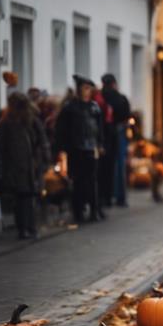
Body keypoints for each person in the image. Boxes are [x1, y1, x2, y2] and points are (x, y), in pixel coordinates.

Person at [0, 92, 50, 239]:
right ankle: (24, 228)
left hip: (31, 166)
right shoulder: (6, 123)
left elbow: (42, 140)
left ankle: (29, 227)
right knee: (21, 198)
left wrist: (42, 159)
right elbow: (1, 147)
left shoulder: (31, 121)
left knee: (28, 197)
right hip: (16, 167)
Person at [55, 75, 105, 223]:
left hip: (91, 148)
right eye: (85, 88)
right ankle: (78, 211)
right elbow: (61, 129)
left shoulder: (94, 107)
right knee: (77, 181)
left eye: (89, 88)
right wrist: (61, 148)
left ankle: (94, 209)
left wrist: (100, 144)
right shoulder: (70, 108)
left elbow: (99, 128)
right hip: (75, 149)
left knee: (93, 181)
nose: (87, 91)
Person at [100, 74, 132, 207]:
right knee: (119, 165)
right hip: (118, 132)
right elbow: (127, 116)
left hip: (104, 133)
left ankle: (106, 196)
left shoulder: (100, 98)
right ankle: (120, 197)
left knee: (105, 165)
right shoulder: (121, 98)